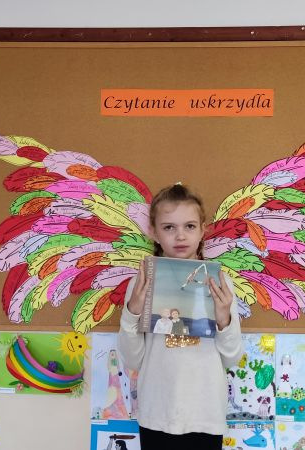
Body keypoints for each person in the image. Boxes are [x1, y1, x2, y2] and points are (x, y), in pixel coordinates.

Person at [118, 184, 243, 450]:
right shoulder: (141, 283)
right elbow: (133, 360)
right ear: (154, 232)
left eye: (189, 226)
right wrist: (132, 312)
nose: (180, 236)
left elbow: (231, 358)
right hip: (156, 414)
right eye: (169, 227)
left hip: (205, 415)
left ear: (202, 230)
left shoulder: (220, 284)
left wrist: (224, 320)